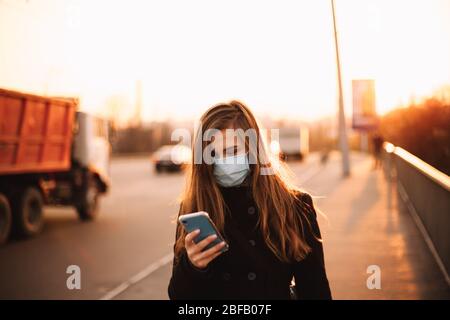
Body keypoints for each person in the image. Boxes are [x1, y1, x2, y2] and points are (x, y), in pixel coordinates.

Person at [167, 100, 331, 300]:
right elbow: (178, 297)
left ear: (254, 149)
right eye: (212, 154)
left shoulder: (294, 206)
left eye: (232, 151)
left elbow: (315, 291)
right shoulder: (195, 207)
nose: (221, 161)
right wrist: (192, 267)